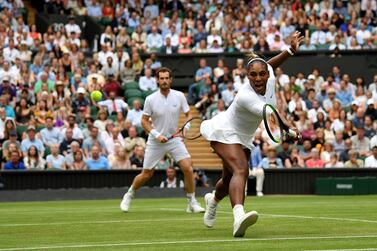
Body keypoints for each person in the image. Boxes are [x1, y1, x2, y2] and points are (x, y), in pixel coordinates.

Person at [200, 31, 303, 237]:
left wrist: (290, 50)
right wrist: (289, 130)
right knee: (241, 169)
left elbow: (271, 64)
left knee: (229, 179)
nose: (258, 78)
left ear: (267, 74)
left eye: (261, 74)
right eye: (252, 75)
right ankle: (238, 217)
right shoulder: (246, 96)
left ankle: (213, 200)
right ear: (248, 76)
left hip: (243, 137)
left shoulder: (270, 75)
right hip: (224, 131)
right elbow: (271, 115)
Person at [120, 67, 205, 214]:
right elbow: (144, 121)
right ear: (157, 81)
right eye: (162, 78)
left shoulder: (179, 96)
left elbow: (188, 113)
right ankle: (129, 194)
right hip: (155, 141)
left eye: (167, 78)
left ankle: (192, 201)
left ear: (170, 80)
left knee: (188, 168)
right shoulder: (150, 99)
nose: (164, 81)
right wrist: (156, 134)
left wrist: (186, 128)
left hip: (174, 139)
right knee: (147, 174)